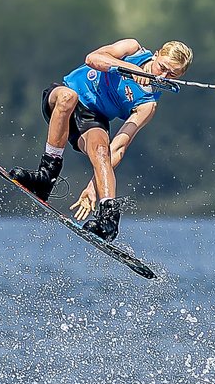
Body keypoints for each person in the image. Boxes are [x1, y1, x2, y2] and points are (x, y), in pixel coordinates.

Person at [10, 39, 193, 241]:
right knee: (67, 97)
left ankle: (108, 217)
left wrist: (93, 187)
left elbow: (118, 148)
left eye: (171, 75)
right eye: (162, 68)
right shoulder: (132, 49)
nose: (162, 76)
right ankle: (46, 175)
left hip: (92, 120)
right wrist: (132, 69)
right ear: (157, 54)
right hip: (64, 98)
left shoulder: (147, 105)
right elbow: (93, 58)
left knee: (101, 150)